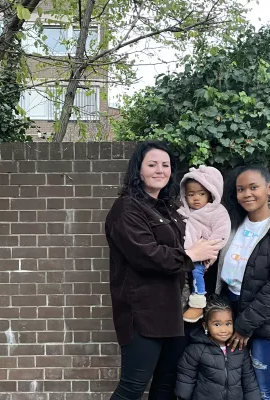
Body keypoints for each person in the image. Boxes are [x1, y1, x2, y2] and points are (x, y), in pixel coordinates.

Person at [105, 141, 223, 400]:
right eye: (152, 164)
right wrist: (192, 255)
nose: (160, 170)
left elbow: (188, 243)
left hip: (173, 311)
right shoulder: (127, 209)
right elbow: (146, 256)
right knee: (132, 387)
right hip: (143, 314)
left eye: (166, 165)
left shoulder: (168, 208)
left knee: (165, 384)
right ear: (138, 170)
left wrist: (204, 252)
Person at [215, 164, 270, 400]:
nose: (247, 194)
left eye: (254, 187)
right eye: (241, 189)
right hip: (231, 316)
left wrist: (245, 325)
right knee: (237, 389)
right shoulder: (233, 224)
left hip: (267, 322)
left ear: (269, 188)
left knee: (266, 392)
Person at [175, 296, 261, 400]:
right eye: (217, 324)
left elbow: (249, 382)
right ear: (205, 326)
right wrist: (183, 397)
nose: (224, 330)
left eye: (228, 324)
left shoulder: (240, 350)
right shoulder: (196, 350)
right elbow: (186, 378)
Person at [177, 166, 231, 323]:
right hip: (184, 254)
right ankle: (186, 304)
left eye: (201, 194)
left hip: (203, 253)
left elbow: (221, 233)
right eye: (191, 194)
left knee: (197, 273)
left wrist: (209, 250)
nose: (196, 198)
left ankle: (198, 302)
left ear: (210, 194)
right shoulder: (183, 212)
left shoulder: (216, 211)